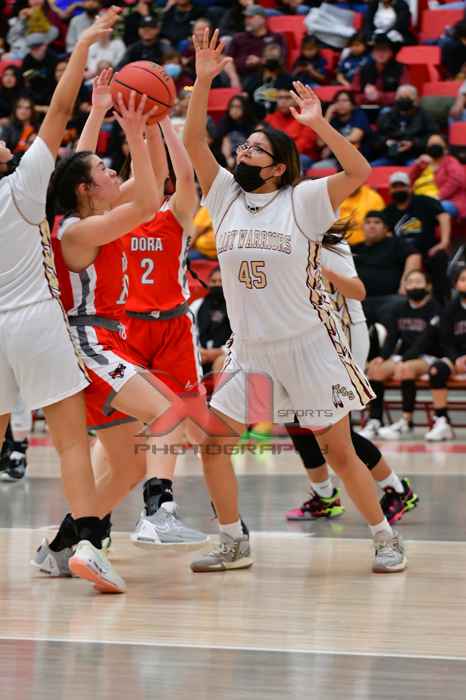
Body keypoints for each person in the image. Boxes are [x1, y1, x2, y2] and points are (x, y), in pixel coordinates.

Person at [183, 28, 407, 575]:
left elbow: (359, 172)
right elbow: (193, 144)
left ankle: (384, 537)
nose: (243, 151)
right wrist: (204, 79)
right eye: (244, 145)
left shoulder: (303, 199)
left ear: (279, 166)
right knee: (213, 443)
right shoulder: (226, 195)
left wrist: (318, 124)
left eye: (256, 148)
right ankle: (233, 540)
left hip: (308, 344)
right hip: (250, 349)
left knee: (339, 453)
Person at [45, 72, 207, 551]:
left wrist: (142, 122)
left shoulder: (93, 214)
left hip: (104, 343)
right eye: (105, 170)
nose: (114, 173)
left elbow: (150, 180)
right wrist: (135, 132)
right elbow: (147, 199)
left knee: (131, 463)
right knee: (170, 414)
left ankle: (64, 547)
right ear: (85, 189)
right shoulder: (77, 231)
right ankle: (158, 514)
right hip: (87, 344)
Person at [1, 7, 127, 594]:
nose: (7, 140)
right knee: (73, 442)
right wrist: (82, 49)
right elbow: (56, 112)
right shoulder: (22, 188)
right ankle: (88, 547)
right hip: (34, 321)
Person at [285, 240, 419, 525]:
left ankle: (397, 489)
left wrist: (320, 270)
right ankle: (324, 496)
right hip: (304, 339)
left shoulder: (332, 243)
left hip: (342, 337)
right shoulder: (287, 234)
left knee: (332, 428)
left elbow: (358, 291)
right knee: (297, 420)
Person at [120, 115, 208, 547]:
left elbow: (185, 176)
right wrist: (139, 134)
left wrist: (164, 124)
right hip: (130, 327)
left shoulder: (177, 211)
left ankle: (172, 507)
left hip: (173, 325)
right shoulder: (120, 217)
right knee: (136, 423)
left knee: (196, 429)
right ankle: (157, 509)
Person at [361, 269, 442, 439]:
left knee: (405, 369)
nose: (414, 286)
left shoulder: (435, 308)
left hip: (429, 355)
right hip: (404, 356)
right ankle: (375, 420)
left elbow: (425, 341)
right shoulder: (400, 307)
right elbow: (393, 337)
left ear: (428, 286)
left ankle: (406, 421)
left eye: (418, 282)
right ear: (404, 286)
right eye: (410, 282)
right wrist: (382, 357)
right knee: (375, 370)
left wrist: (403, 360)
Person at [383, 171, 451, 304]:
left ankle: (443, 303)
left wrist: (444, 242)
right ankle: (398, 303)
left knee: (440, 256)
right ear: (390, 190)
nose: (399, 190)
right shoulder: (388, 211)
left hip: (428, 250)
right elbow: (387, 233)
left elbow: (444, 216)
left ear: (410, 187)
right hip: (402, 254)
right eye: (395, 187)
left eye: (402, 186)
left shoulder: (424, 201)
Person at [352, 210, 421, 326]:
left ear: (385, 229)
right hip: (360, 301)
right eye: (368, 222)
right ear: (362, 228)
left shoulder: (395, 244)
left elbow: (414, 256)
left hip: (390, 299)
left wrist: (406, 283)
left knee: (397, 305)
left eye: (377, 222)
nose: (372, 226)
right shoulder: (355, 249)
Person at [424, 268, 466, 441]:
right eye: (463, 279)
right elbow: (446, 341)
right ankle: (442, 421)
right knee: (436, 370)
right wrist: (456, 359)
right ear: (456, 284)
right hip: (457, 358)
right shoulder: (449, 309)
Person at [372, 85, 437, 166]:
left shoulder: (425, 116)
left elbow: (432, 137)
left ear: (416, 99)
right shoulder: (386, 115)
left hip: (414, 156)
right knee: (371, 169)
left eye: (407, 97)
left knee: (418, 168)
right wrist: (386, 142)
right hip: (389, 155)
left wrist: (413, 143)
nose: (403, 100)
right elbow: (376, 138)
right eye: (400, 97)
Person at [411, 134, 466, 220]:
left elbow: (456, 180)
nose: (433, 147)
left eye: (437, 144)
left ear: (446, 149)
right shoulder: (423, 164)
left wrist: (437, 197)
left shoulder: (450, 162)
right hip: (421, 200)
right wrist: (417, 164)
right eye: (431, 145)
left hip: (449, 201)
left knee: (434, 208)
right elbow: (409, 181)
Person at [227, 4, 287, 82]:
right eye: (246, 17)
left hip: (266, 75)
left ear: (263, 19)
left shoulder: (275, 37)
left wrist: (260, 61)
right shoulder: (238, 37)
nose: (247, 20)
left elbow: (280, 60)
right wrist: (234, 78)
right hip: (240, 76)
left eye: (251, 17)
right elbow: (228, 60)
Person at [314, 90, 371, 168]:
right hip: (337, 159)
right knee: (317, 168)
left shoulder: (359, 115)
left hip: (359, 157)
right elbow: (320, 142)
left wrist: (330, 147)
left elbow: (354, 137)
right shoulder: (333, 120)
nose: (341, 104)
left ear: (352, 104)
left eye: (345, 101)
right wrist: (328, 114)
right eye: (337, 101)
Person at [191, 267, 232, 376]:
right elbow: (188, 332)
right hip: (201, 354)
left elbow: (240, 337)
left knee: (221, 362)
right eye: (214, 281)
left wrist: (222, 351)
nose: (217, 284)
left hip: (226, 354)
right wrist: (198, 350)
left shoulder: (236, 307)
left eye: (221, 281)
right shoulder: (197, 305)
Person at [352, 33, 408, 107]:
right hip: (366, 108)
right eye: (377, 49)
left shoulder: (400, 68)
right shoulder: (362, 69)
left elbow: (404, 95)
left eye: (385, 50)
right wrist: (367, 96)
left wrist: (379, 96)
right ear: (372, 53)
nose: (381, 53)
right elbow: (354, 95)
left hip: (391, 108)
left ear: (391, 52)